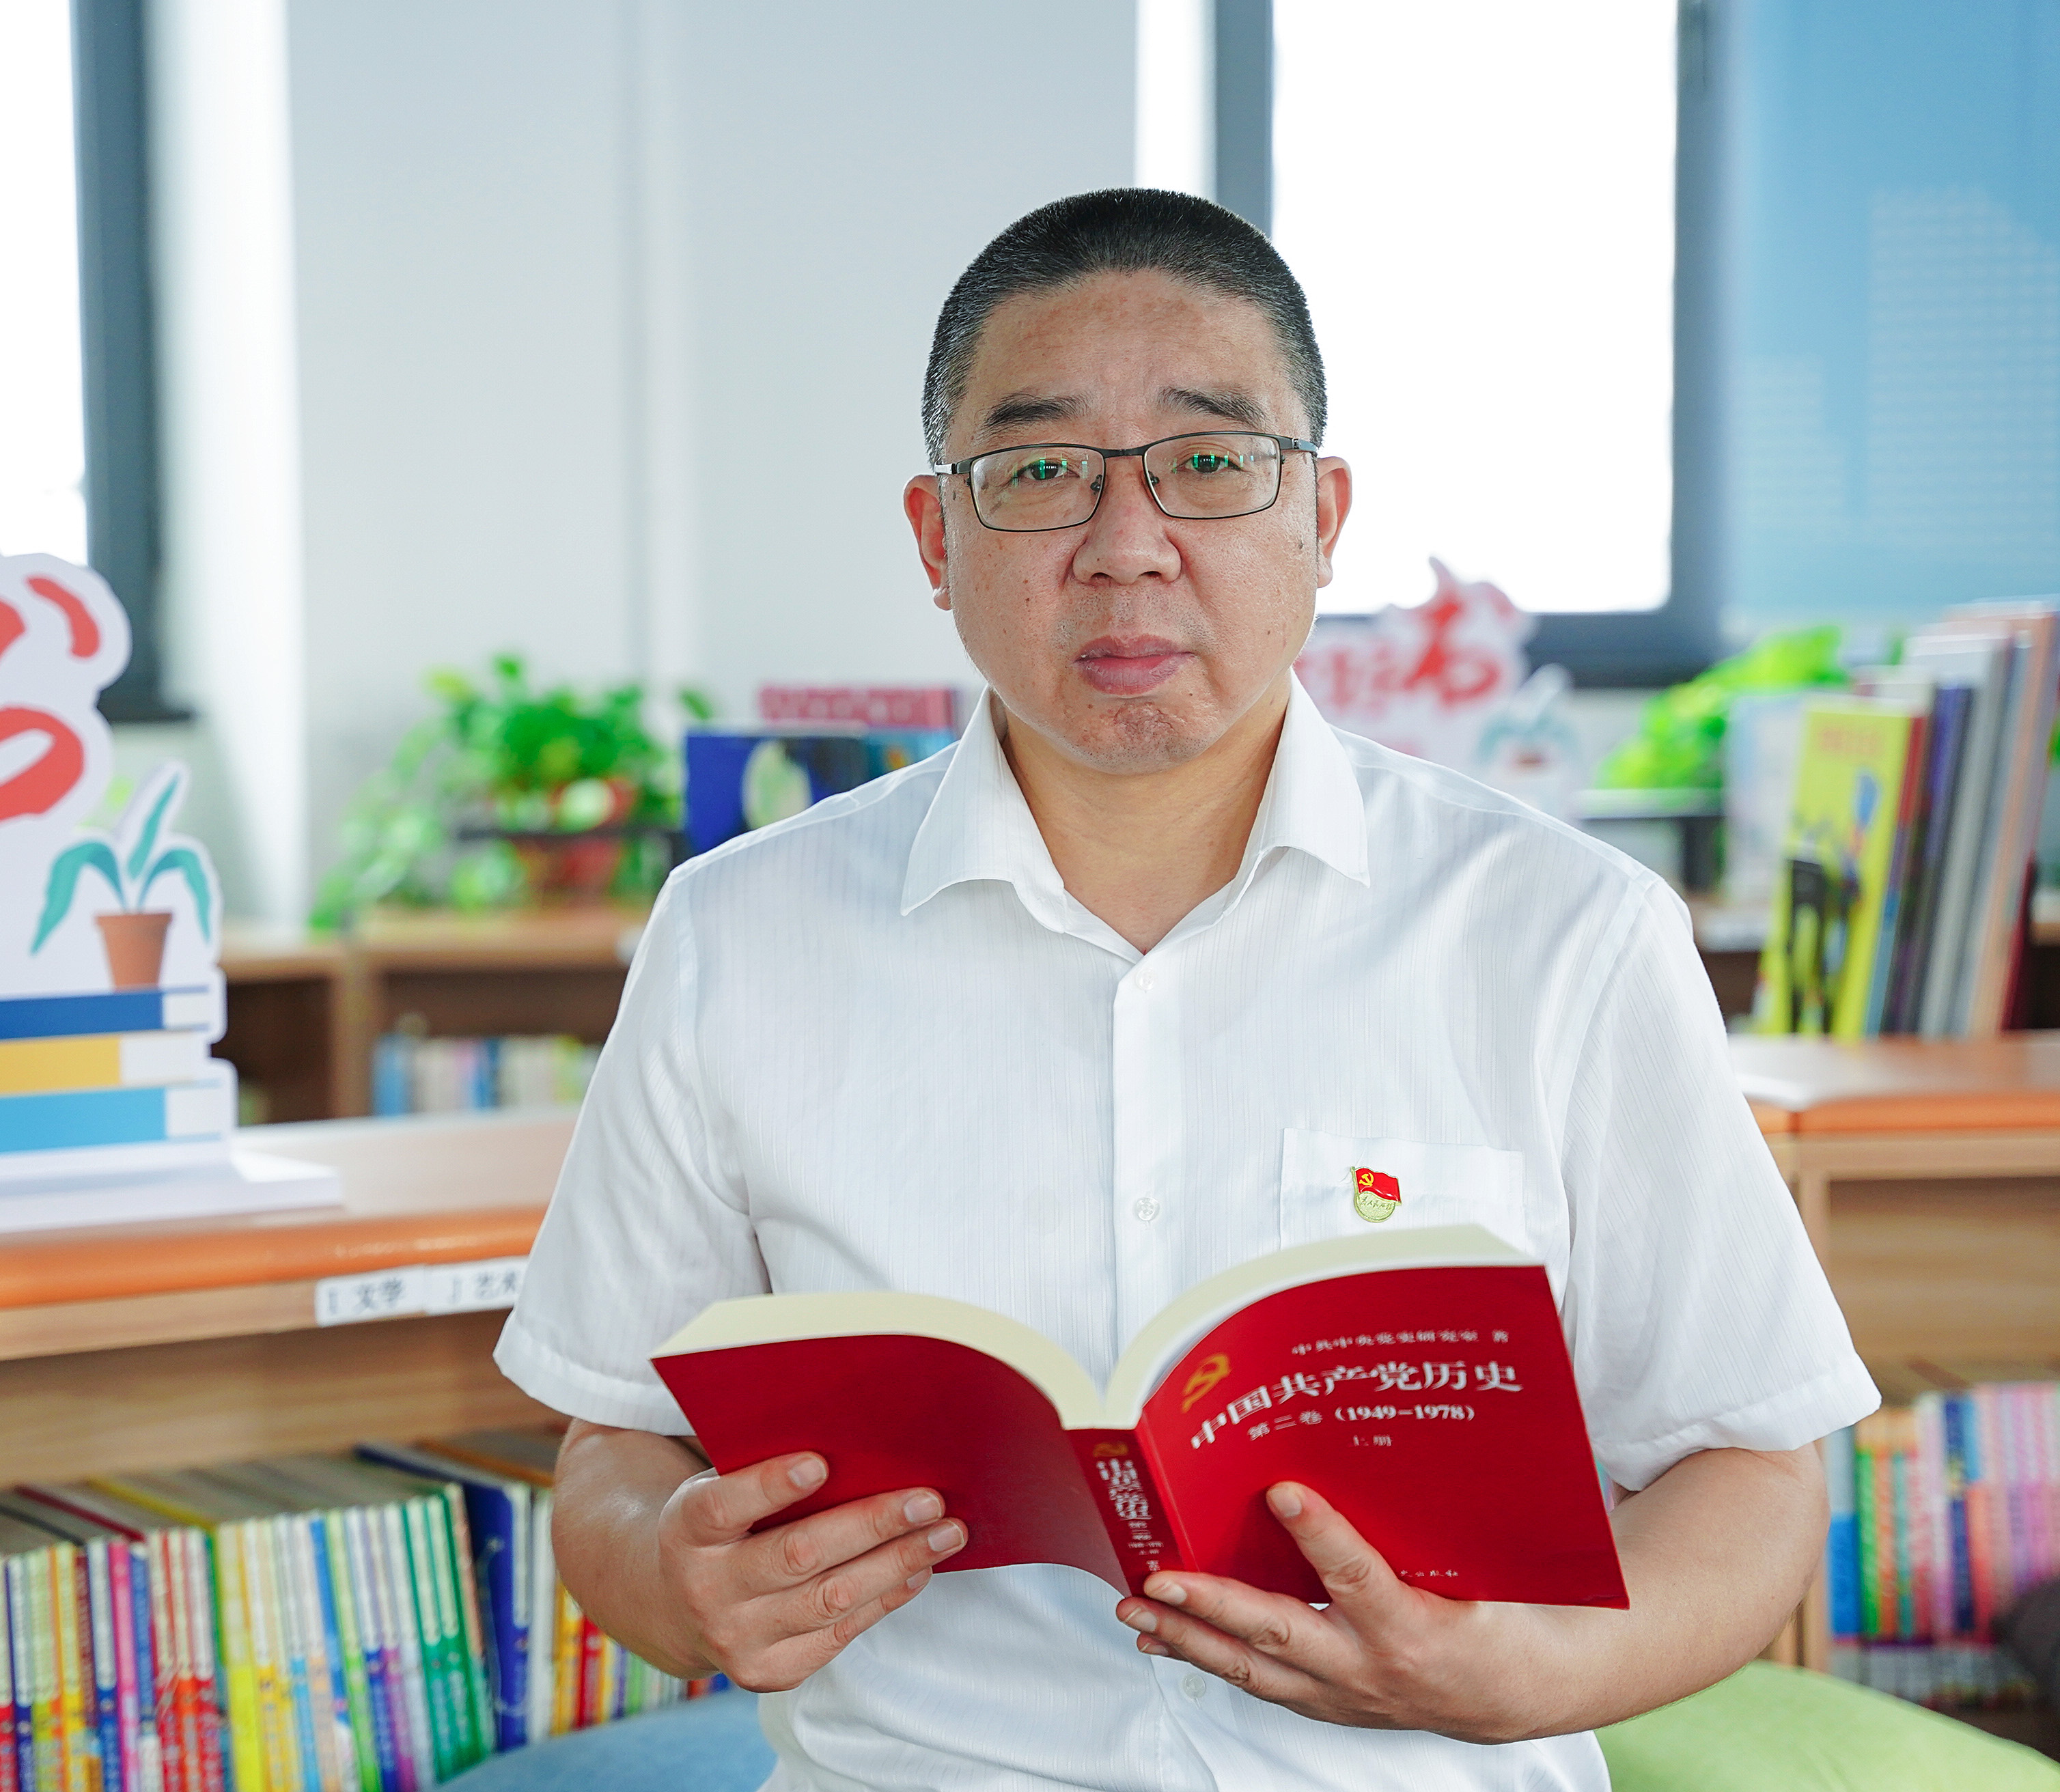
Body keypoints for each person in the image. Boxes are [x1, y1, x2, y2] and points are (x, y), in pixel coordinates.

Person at [491, 187, 1878, 1791]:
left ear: (1324, 516)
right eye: (1041, 473)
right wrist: (676, 1573)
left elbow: (1750, 1465)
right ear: (938, 539)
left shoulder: (1566, 933)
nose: (1128, 545)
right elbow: (611, 1441)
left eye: (1210, 463)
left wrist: (1529, 1676)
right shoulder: (737, 935)